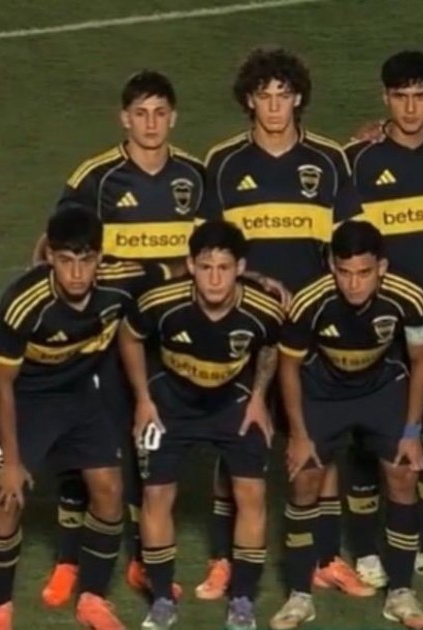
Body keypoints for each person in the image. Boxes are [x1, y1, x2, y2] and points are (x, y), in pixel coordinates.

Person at [200, 47, 369, 600]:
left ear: (298, 99)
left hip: (313, 329)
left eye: (283, 95)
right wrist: (252, 282)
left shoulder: (329, 160)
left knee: (320, 443)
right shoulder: (224, 162)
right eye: (264, 96)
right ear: (249, 101)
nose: (274, 106)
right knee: (235, 441)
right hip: (243, 329)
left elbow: (350, 243)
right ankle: (223, 560)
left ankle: (325, 557)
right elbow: (209, 250)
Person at [34, 70, 205, 606]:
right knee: (86, 444)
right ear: (124, 119)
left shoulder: (196, 177)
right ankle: (68, 560)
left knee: (148, 450)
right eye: (141, 114)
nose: (151, 124)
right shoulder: (96, 177)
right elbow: (51, 247)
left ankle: (141, 559)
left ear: (173, 117)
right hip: (102, 339)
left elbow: (213, 253)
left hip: (165, 341)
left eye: (160, 113)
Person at [341, 49, 423, 588]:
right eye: (400, 97)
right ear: (385, 98)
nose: (411, 108)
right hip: (375, 326)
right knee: (365, 434)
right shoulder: (358, 159)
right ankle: (365, 549)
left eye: (420, 96)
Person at [269, 221, 423, 630]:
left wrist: (412, 433)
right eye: (344, 272)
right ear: (332, 265)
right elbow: (288, 368)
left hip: (381, 389)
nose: (354, 284)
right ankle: (299, 596)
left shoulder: (410, 297)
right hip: (322, 392)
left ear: (382, 267)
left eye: (364, 272)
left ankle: (401, 593)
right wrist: (299, 435)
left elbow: (421, 361)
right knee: (305, 478)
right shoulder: (308, 301)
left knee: (403, 474)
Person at [118, 220, 283, 630]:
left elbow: (270, 346)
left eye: (224, 268)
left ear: (239, 267)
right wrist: (143, 399)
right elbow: (129, 337)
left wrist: (259, 397)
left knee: (252, 492)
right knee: (156, 494)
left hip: (232, 401)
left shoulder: (263, 308)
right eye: (205, 267)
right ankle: (161, 598)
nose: (214, 278)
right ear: (190, 265)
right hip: (170, 404)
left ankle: (242, 599)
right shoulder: (160, 301)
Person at [0, 208, 140, 630]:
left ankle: (93, 599)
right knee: (7, 499)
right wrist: (12, 463)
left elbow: (179, 271)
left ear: (100, 258)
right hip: (23, 397)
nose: (77, 273)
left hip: (78, 391)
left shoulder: (122, 283)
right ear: (50, 256)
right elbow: (1, 384)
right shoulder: (22, 304)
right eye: (66, 261)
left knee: (109, 488)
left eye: (86, 261)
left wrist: (255, 280)